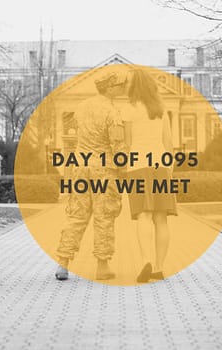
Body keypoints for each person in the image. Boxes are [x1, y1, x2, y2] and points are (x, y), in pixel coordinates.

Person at [55, 71, 127, 281]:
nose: (122, 89)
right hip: (103, 169)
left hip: (79, 167)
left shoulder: (82, 107)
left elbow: (73, 133)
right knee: (104, 216)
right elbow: (118, 145)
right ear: (110, 88)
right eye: (119, 85)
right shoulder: (112, 112)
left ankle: (63, 263)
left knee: (76, 215)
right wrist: (123, 170)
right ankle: (102, 265)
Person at [123, 68, 177, 283]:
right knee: (161, 219)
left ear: (133, 86)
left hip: (137, 166)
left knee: (143, 216)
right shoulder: (160, 109)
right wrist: (169, 168)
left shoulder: (128, 109)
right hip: (161, 167)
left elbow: (127, 144)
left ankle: (146, 260)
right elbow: (168, 143)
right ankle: (159, 267)